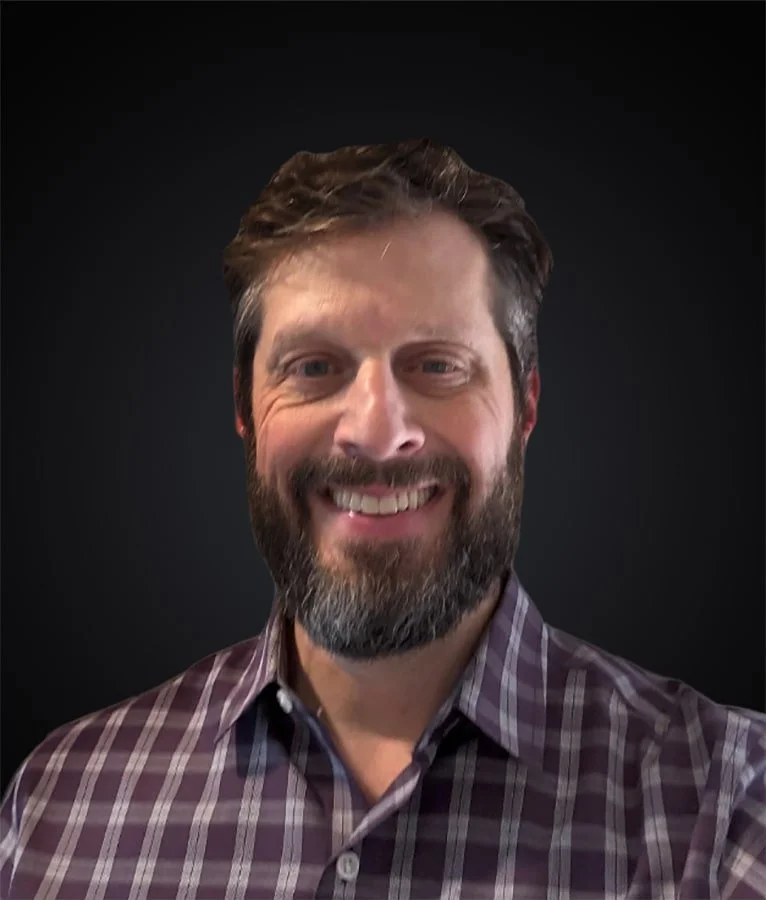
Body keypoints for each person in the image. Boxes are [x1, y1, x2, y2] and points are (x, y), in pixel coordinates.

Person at [1, 139, 764, 900]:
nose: (374, 430)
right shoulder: (58, 803)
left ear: (527, 403)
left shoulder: (724, 801)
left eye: (437, 365)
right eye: (314, 368)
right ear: (243, 408)